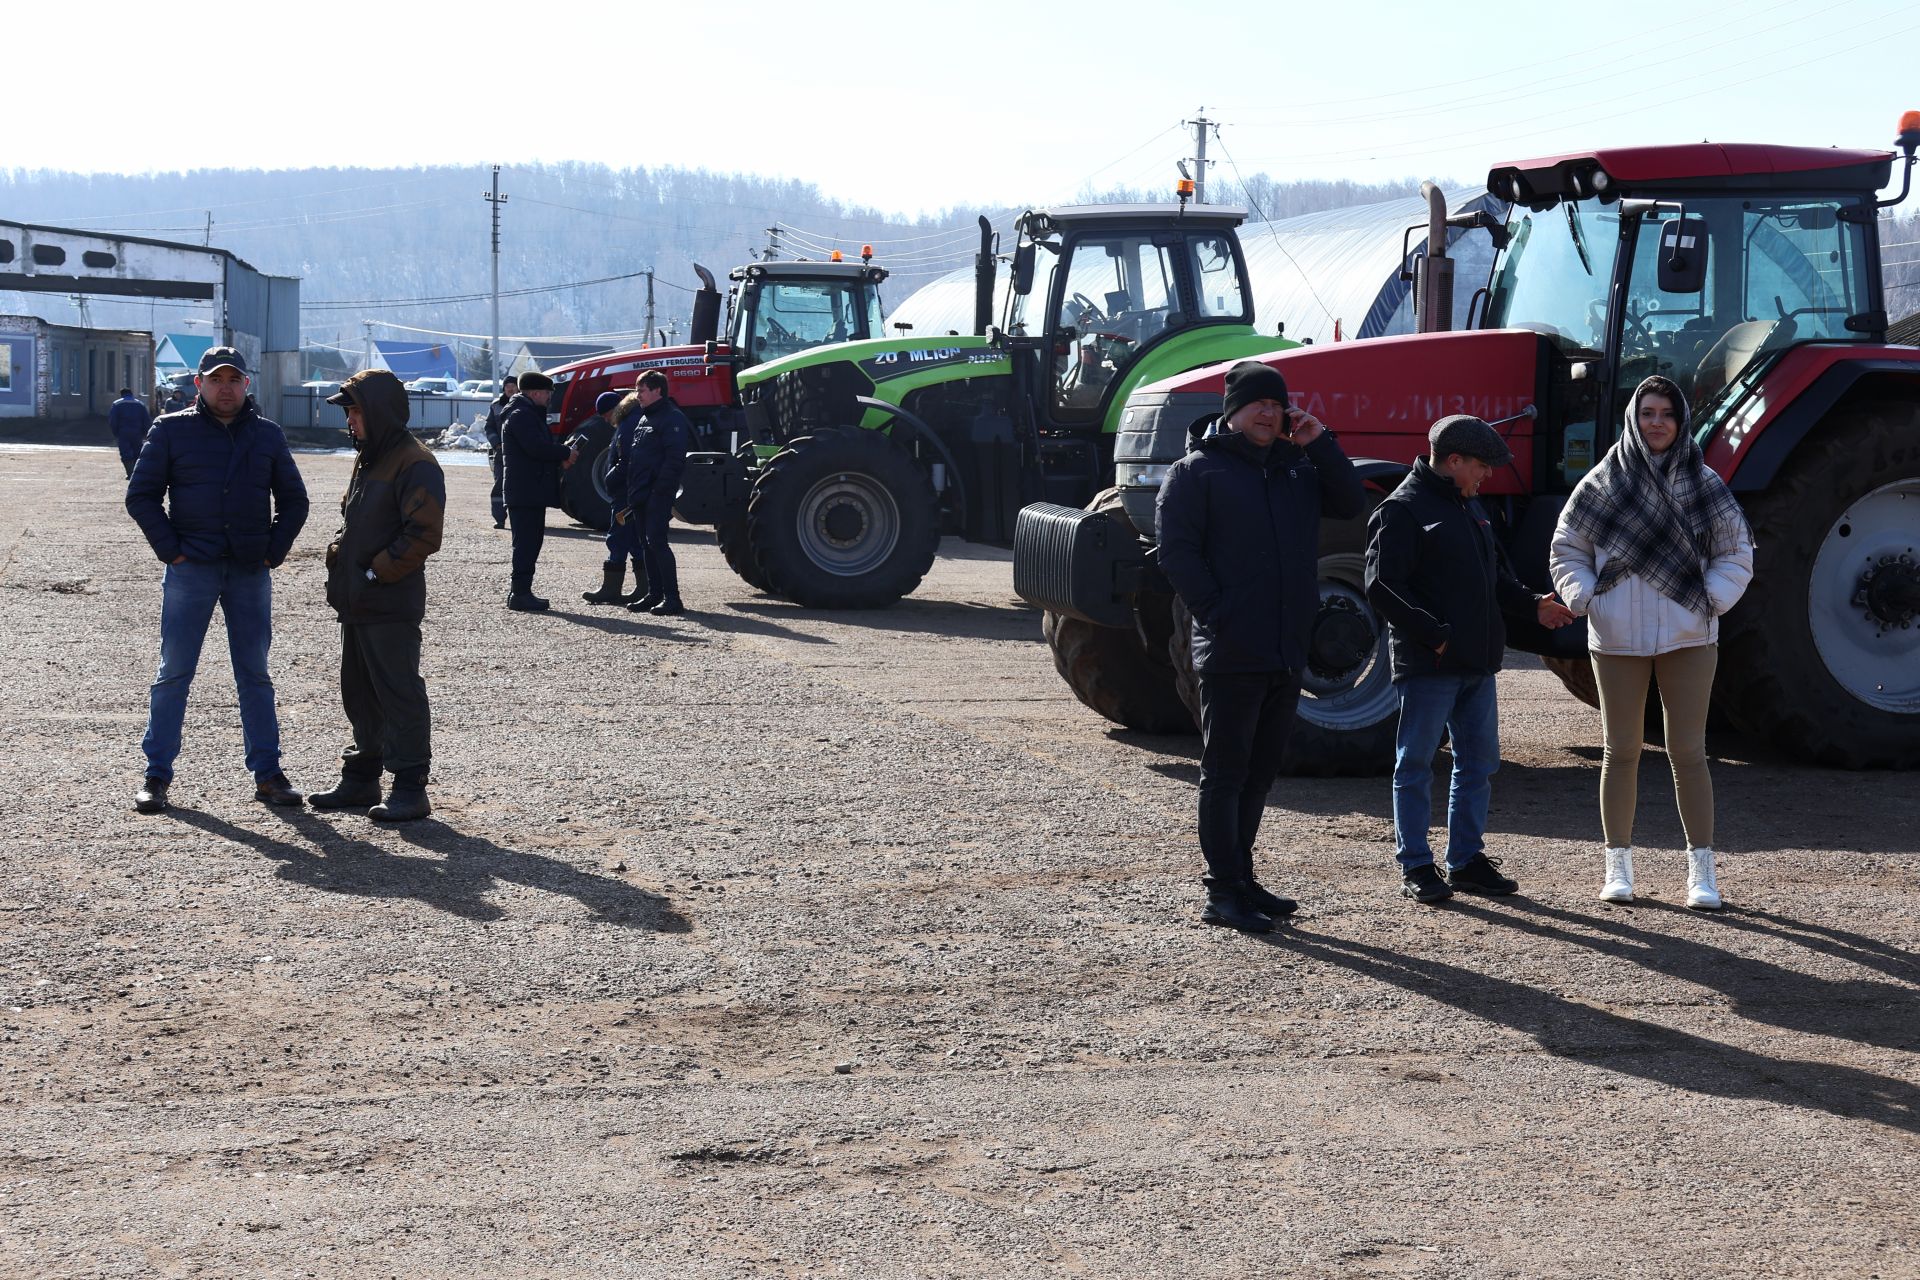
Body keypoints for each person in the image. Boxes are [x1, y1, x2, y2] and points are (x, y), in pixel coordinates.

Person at [1155, 361, 1365, 932]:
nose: (1269, 413)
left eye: (1277, 404)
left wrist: (1321, 443)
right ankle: (1221, 892)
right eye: (1257, 404)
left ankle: (1244, 880)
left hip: (1285, 648)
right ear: (1233, 411)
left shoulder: (1296, 469)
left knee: (1259, 773)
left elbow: (1351, 503)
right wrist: (1219, 615)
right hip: (1231, 649)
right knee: (1225, 773)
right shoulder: (1196, 472)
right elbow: (1176, 553)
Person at [1549, 375, 1754, 910]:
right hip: (1615, 636)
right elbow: (1566, 549)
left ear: (1681, 421)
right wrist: (1587, 597)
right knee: (1621, 751)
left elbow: (1737, 552)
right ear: (1633, 420)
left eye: (1666, 412)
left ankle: (1701, 874)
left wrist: (1710, 598)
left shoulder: (1707, 484)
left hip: (1689, 634)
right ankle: (1618, 867)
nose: (1656, 422)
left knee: (1688, 752)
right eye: (1647, 413)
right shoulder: (1599, 483)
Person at [1364, 415, 1577, 905]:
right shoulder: (1402, 509)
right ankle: (1416, 864)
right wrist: (1435, 637)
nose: (1486, 476)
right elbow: (1381, 587)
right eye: (1480, 466)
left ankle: (1465, 861)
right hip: (1431, 666)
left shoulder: (1470, 506)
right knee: (1415, 764)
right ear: (1453, 460)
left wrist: (1534, 605)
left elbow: (1496, 579)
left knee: (1478, 763)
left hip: (1477, 665)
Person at [124, 346, 310, 814]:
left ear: (247, 385)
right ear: (199, 385)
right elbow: (141, 496)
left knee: (255, 674)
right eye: (215, 379)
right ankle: (157, 775)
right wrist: (173, 551)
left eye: (233, 379)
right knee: (174, 673)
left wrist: (272, 551)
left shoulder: (267, 435)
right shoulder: (171, 430)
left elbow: (295, 500)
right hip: (192, 570)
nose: (224, 387)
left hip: (250, 570)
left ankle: (268, 774)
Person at [308, 369, 447, 822]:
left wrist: (374, 573)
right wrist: (342, 562)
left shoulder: (414, 461)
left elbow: (424, 534)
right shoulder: (370, 457)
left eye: (355, 411)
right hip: (358, 603)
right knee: (360, 693)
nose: (349, 421)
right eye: (348, 412)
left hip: (387, 602)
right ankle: (361, 778)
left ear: (378, 413)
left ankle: (411, 786)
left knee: (399, 693)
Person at [497, 370, 577, 611]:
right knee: (526, 544)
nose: (549, 398)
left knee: (531, 542)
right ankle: (519, 593)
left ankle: (522, 591)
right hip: (524, 492)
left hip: (528, 490)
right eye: (547, 393)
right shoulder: (522, 415)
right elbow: (535, 448)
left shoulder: (526, 414)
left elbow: (537, 449)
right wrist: (564, 453)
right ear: (535, 393)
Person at [619, 369, 693, 616]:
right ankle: (654, 594)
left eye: (641, 390)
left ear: (657, 390)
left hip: (657, 495)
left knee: (657, 543)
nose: (637, 395)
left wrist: (659, 492)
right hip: (639, 494)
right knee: (645, 544)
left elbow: (674, 461)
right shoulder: (644, 417)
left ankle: (672, 598)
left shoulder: (672, 419)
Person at [580, 390, 646, 605]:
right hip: (631, 491)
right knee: (635, 539)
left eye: (605, 415)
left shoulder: (627, 426)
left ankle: (612, 589)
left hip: (624, 493)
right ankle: (643, 588)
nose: (606, 420)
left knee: (617, 537)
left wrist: (610, 478)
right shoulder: (632, 420)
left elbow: (626, 461)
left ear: (613, 410)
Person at [483, 375, 518, 529]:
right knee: (499, 487)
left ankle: (520, 519)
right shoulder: (496, 406)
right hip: (501, 454)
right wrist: (497, 444)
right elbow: (489, 427)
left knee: (520, 486)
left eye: (513, 385)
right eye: (507, 386)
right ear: (504, 388)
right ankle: (499, 519)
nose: (510, 388)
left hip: (520, 454)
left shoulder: (525, 404)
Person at [108, 387, 152, 477]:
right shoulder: (140, 404)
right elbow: (146, 420)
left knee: (125, 452)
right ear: (131, 394)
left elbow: (113, 421)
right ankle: (137, 473)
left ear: (121, 394)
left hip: (123, 432)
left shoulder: (117, 404)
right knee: (138, 452)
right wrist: (146, 433)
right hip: (137, 432)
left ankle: (130, 473)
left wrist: (115, 432)